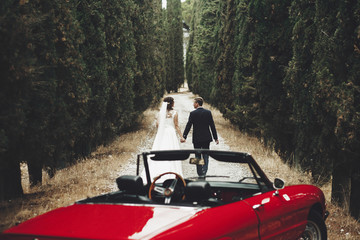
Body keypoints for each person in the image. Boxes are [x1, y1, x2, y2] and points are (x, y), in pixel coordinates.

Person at [142, 97, 185, 183]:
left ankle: (158, 170)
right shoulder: (175, 113)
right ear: (172, 103)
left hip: (162, 133)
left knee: (160, 148)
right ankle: (172, 171)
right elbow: (176, 126)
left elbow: (157, 125)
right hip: (171, 133)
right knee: (171, 150)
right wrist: (181, 136)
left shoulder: (160, 113)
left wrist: (162, 130)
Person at [182, 97, 219, 177]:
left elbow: (188, 126)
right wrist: (215, 138)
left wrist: (184, 136)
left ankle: (199, 173)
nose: (193, 104)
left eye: (194, 103)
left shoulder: (193, 113)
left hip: (197, 139)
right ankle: (204, 172)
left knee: (197, 156)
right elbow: (212, 126)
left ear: (197, 104)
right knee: (206, 155)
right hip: (206, 138)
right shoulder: (208, 112)